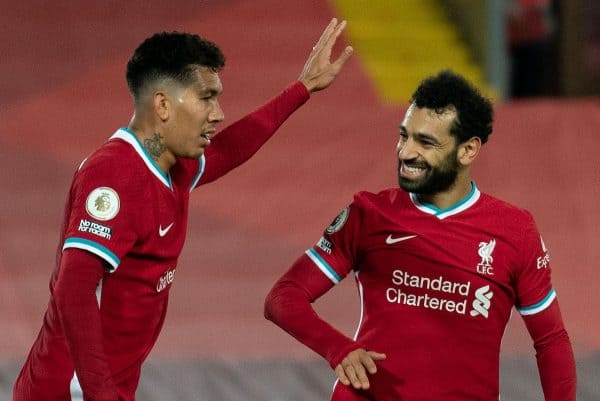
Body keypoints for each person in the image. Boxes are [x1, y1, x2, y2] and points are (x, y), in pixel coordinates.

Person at [13, 19, 353, 401]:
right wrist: (101, 395)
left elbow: (229, 150)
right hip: (69, 392)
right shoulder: (115, 175)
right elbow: (73, 290)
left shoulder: (172, 167)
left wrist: (301, 89)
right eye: (206, 97)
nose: (218, 112)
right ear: (162, 104)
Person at [264, 70, 576, 401]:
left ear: (468, 150)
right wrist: (338, 348)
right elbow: (283, 297)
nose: (406, 152)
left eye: (425, 142)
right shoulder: (368, 214)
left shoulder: (516, 230)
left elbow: (550, 340)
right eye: (404, 136)